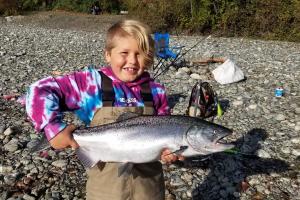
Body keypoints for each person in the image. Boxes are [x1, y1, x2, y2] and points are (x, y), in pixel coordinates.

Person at [25, 19, 183, 200]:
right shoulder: (90, 84)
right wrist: (53, 128)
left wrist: (172, 153)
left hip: (149, 190)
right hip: (105, 191)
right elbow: (40, 89)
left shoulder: (157, 91)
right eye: (124, 53)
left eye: (139, 54)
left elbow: (168, 132)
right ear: (108, 54)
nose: (132, 60)